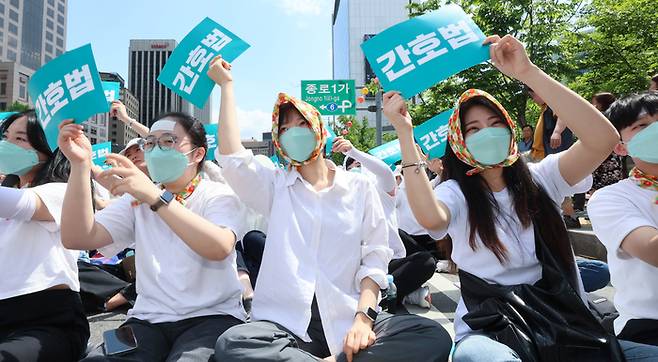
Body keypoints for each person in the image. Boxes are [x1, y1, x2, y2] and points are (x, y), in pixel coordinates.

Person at [384, 34, 658, 361]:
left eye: (496, 123)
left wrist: (529, 72)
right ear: (459, 142)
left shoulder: (543, 177)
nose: (487, 132)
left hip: (566, 326)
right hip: (493, 331)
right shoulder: (455, 193)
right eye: (473, 129)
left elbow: (602, 139)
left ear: (511, 130)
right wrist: (404, 133)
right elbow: (431, 218)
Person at [208, 56, 452, 362]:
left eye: (302, 124)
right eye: (284, 128)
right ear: (279, 140)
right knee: (233, 345)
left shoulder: (359, 187)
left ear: (320, 131)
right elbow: (233, 158)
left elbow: (375, 256)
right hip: (286, 327)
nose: (293, 132)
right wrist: (227, 87)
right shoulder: (275, 186)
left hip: (350, 316)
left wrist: (364, 318)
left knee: (433, 336)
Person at [58, 112, 246, 361]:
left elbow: (219, 247)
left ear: (198, 154)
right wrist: (79, 166)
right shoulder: (136, 198)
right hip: (144, 320)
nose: (156, 150)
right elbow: (78, 237)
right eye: (151, 143)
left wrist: (155, 197)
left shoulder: (218, 195)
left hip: (213, 317)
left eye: (168, 141)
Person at [0, 111, 90, 361]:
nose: (7, 145)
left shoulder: (63, 192)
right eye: (5, 136)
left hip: (47, 322)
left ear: (49, 147)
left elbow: (21, 205)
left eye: (20, 139)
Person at [588, 91, 658, 347]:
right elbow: (653, 249)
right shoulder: (611, 198)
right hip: (648, 327)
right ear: (620, 146)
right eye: (642, 126)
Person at [337, 137, 435, 309]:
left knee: (425, 262)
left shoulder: (382, 190)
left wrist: (353, 152)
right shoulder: (341, 200)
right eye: (352, 166)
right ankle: (400, 295)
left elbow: (384, 172)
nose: (356, 169)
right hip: (356, 267)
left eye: (360, 165)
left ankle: (381, 298)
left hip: (386, 263)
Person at [591, 93, 624, 191]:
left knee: (597, 185)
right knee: (613, 184)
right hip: (615, 154)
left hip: (601, 154)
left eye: (594, 103)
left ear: (599, 104)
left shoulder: (599, 117)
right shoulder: (617, 116)